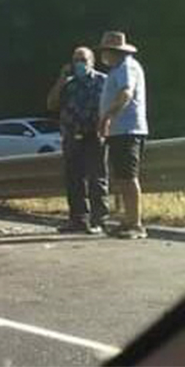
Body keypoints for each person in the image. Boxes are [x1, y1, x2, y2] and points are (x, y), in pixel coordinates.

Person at [47, 46, 108, 234]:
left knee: (97, 177)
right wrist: (61, 79)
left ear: (92, 61)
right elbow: (51, 104)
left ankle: (99, 220)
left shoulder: (102, 81)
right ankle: (78, 219)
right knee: (74, 178)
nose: (79, 64)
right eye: (76, 60)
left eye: (83, 60)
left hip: (94, 134)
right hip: (72, 135)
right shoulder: (68, 84)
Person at [97, 31, 149, 239]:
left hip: (128, 129)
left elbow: (126, 93)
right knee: (122, 176)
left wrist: (108, 117)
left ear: (113, 51)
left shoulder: (126, 67)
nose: (103, 56)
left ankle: (135, 224)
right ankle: (127, 220)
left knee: (128, 177)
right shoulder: (117, 69)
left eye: (105, 52)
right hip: (120, 131)